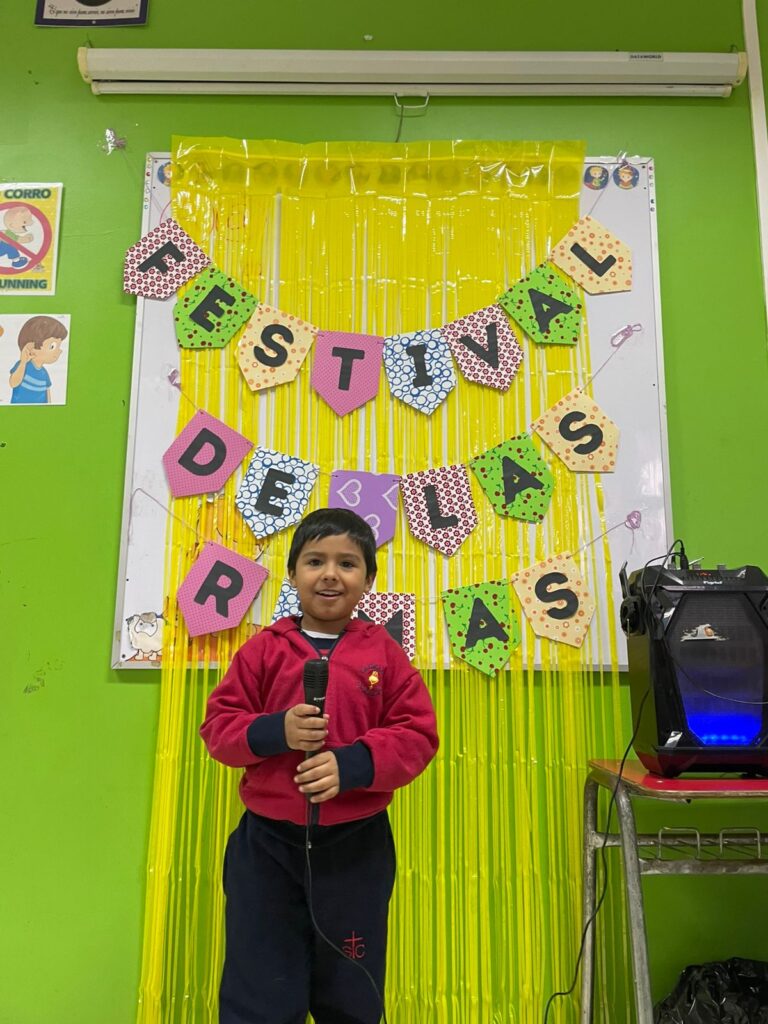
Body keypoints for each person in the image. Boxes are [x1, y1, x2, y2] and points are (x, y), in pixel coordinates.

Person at [200, 507, 439, 1024]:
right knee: (259, 993)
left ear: (369, 580)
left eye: (347, 563)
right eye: (315, 561)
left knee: (352, 995)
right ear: (292, 573)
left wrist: (353, 765)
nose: (330, 574)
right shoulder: (262, 651)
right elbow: (219, 730)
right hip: (266, 851)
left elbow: (418, 735)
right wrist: (275, 731)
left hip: (356, 852)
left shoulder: (386, 655)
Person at [9, 315, 67, 404]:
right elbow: (13, 383)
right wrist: (23, 362)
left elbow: (47, 395)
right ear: (31, 347)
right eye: (52, 346)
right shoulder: (22, 366)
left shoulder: (44, 373)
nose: (59, 351)